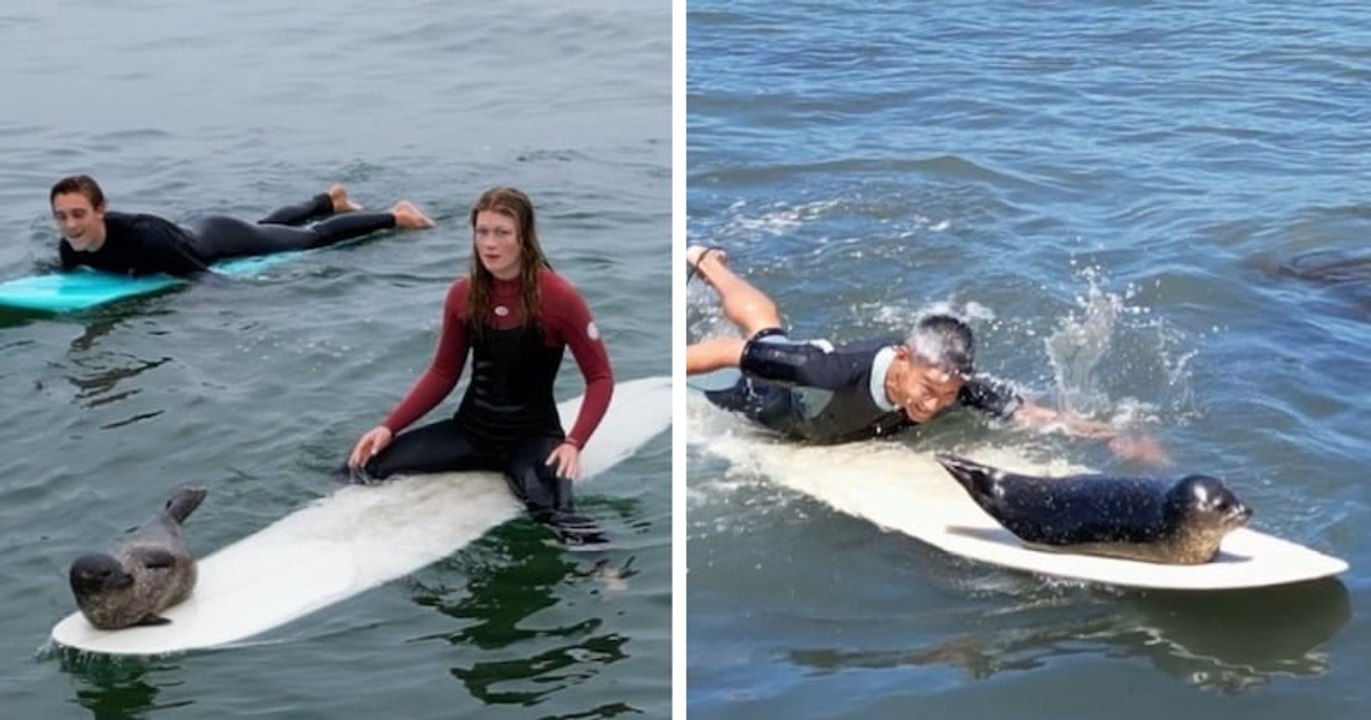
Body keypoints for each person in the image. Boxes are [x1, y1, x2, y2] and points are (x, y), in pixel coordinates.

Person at [686, 245, 1169, 463]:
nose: (934, 404)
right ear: (902, 359)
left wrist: (1113, 436)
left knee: (768, 330)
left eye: (947, 394)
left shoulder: (958, 386)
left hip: (822, 418)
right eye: (927, 388)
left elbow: (1032, 414)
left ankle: (708, 261)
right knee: (765, 337)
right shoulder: (825, 371)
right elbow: (728, 350)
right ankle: (708, 263)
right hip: (775, 399)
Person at [346, 186, 615, 545]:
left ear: (524, 237)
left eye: (502, 233)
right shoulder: (463, 294)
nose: (490, 243)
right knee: (363, 465)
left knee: (557, 517)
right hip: (471, 431)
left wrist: (574, 442)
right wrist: (389, 427)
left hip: (533, 439)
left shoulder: (559, 298)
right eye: (482, 232)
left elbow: (600, 378)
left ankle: (607, 573)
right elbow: (443, 373)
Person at [49, 175, 435, 278]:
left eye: (78, 214)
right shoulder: (70, 245)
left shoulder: (145, 240)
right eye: (62, 216)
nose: (70, 225)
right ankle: (328, 201)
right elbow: (62, 273)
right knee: (266, 225)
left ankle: (396, 215)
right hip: (196, 228)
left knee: (309, 240)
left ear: (101, 210)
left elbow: (201, 275)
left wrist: (234, 305)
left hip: (218, 239)